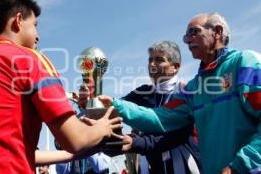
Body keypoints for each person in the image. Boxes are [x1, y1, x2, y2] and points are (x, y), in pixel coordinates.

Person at [0, 0, 122, 173]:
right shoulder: (29, 59)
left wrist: (74, 155)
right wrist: (103, 127)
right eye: (35, 25)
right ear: (19, 21)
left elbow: (21, 153)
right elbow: (75, 139)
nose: (38, 36)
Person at [99, 12, 261, 174]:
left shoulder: (245, 63)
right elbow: (160, 117)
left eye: (194, 32)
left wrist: (238, 166)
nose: (188, 40)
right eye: (186, 36)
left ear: (217, 32)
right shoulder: (194, 88)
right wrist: (114, 104)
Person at [79, 41, 201, 174]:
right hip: (152, 167)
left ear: (175, 67)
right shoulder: (143, 92)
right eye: (150, 60)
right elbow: (112, 111)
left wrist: (134, 142)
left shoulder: (185, 94)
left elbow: (175, 136)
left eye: (159, 60)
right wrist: (91, 101)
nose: (152, 64)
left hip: (186, 167)